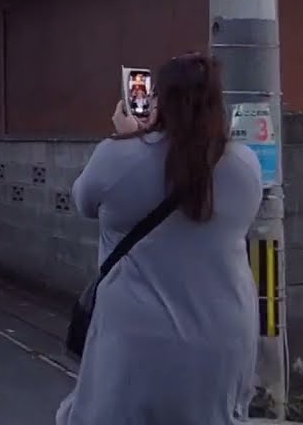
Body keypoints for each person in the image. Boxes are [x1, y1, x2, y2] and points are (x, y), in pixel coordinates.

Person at [56, 54, 261, 423]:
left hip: (137, 335)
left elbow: (83, 200)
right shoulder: (245, 165)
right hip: (224, 334)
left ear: (159, 99)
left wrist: (128, 137)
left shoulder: (118, 155)